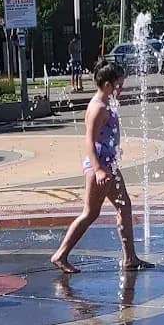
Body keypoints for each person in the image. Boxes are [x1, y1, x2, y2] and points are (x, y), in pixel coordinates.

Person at [51, 60, 145, 273]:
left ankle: (130, 257)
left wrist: (114, 150)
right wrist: (98, 169)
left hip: (108, 164)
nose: (121, 89)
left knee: (124, 205)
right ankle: (61, 254)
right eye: (118, 85)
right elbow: (89, 141)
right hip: (99, 167)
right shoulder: (98, 107)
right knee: (90, 212)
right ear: (106, 84)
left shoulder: (107, 104)